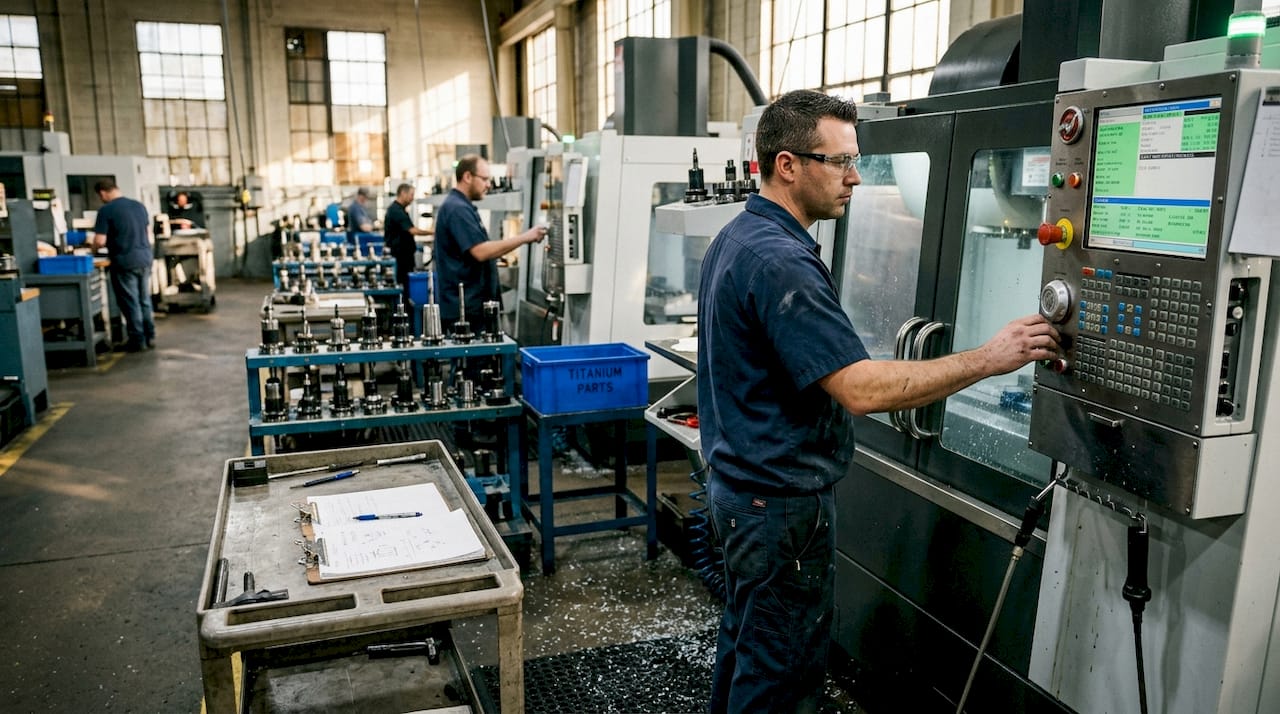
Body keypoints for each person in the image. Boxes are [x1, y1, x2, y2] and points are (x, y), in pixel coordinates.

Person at [696, 90, 1061, 713]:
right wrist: (989, 358)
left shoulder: (739, 237)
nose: (856, 177)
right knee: (781, 675)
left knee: (749, 650)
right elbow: (861, 390)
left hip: (740, 495)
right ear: (788, 165)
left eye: (855, 160)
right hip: (778, 511)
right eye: (840, 161)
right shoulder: (781, 262)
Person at [434, 154, 546, 328]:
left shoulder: (463, 207)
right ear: (467, 177)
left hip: (472, 306)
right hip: (465, 311)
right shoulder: (457, 209)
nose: (488, 185)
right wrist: (526, 237)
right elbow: (481, 251)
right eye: (485, 179)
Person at [92, 179, 156, 353]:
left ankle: (137, 340)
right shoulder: (139, 206)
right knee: (144, 300)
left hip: (125, 260)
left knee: (131, 301)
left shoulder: (106, 210)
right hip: (144, 258)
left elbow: (100, 240)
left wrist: (92, 250)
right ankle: (150, 336)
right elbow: (148, 233)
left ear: (102, 193)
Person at [384, 182, 434, 302]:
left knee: (405, 285)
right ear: (403, 193)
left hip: (403, 255)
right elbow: (412, 230)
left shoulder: (399, 209)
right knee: (404, 285)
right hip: (401, 257)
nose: (412, 198)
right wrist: (433, 232)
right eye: (411, 195)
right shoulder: (396, 210)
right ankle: (404, 307)